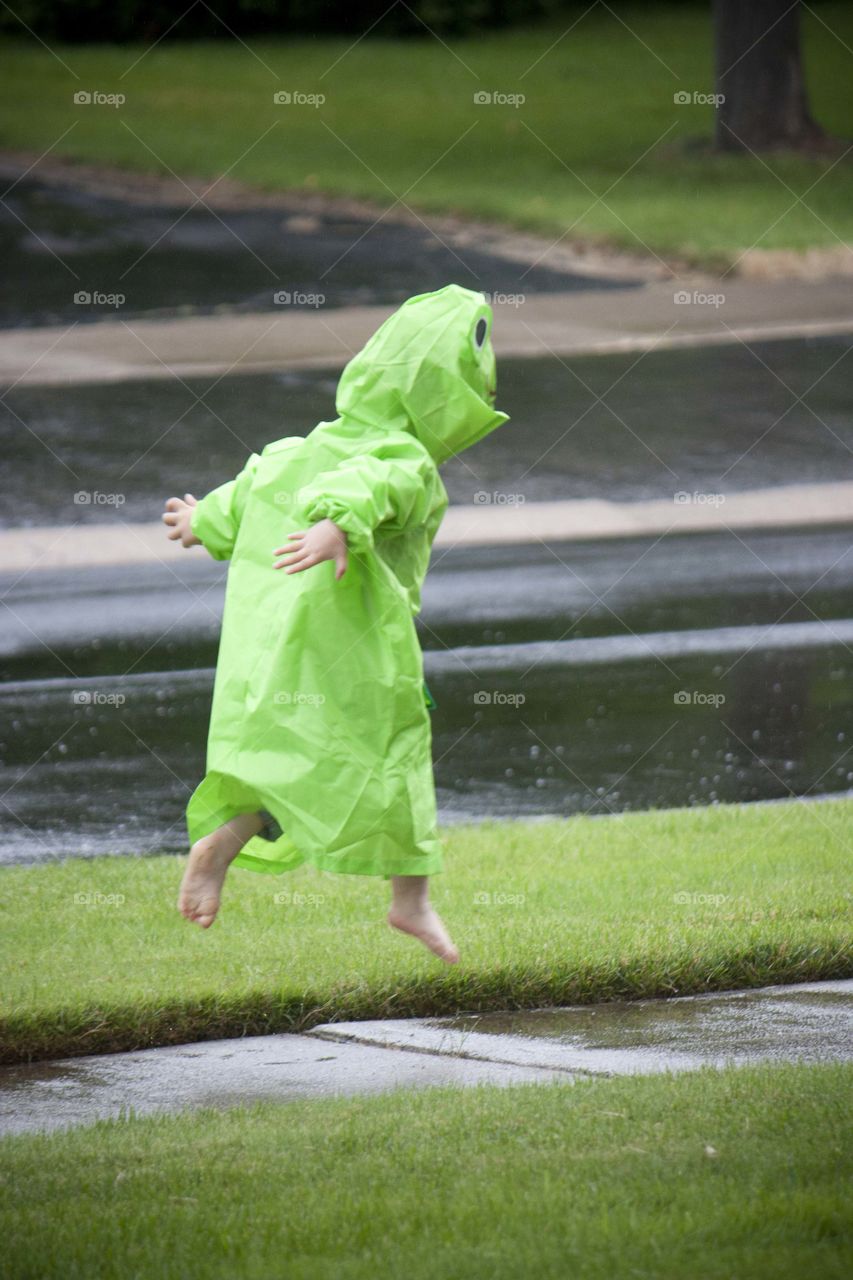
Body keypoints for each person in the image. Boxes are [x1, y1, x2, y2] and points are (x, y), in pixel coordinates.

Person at [162, 283, 508, 964]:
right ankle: (409, 901)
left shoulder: (292, 450)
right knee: (396, 759)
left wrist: (197, 519)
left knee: (298, 758)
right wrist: (336, 523)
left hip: (283, 654)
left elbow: (244, 495)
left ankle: (223, 842)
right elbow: (375, 488)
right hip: (363, 651)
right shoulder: (408, 458)